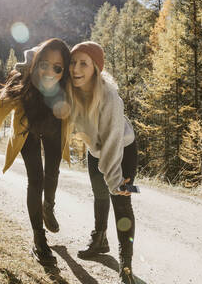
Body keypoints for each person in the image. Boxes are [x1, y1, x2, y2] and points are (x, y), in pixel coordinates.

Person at [0, 38, 71, 266]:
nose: (50, 72)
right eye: (44, 65)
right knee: (36, 179)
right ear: (34, 65)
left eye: (58, 68)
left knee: (53, 171)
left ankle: (48, 207)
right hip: (27, 130)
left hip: (52, 127)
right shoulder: (20, 84)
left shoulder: (66, 85)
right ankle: (39, 239)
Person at [67, 41, 138, 283]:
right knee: (99, 196)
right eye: (73, 62)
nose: (76, 68)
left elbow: (112, 143)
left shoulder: (110, 98)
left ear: (95, 68)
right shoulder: (72, 91)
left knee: (121, 201)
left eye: (83, 64)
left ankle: (125, 266)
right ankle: (99, 240)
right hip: (95, 152)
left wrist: (117, 181)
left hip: (123, 150)